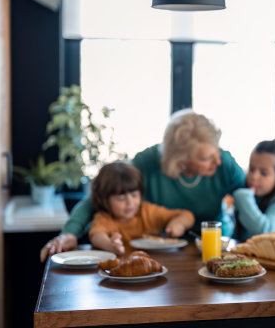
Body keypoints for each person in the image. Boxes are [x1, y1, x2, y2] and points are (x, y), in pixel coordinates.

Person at [40, 109, 246, 262]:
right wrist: (69, 233)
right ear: (180, 160)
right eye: (206, 158)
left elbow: (252, 198)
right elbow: (98, 198)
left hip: (209, 252)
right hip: (157, 254)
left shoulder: (224, 163)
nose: (217, 161)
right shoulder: (146, 163)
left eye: (216, 152)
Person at [88, 161, 194, 255]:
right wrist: (110, 246)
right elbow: (96, 236)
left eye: (134, 195)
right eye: (121, 198)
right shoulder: (104, 218)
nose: (130, 203)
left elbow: (187, 215)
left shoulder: (148, 211)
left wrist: (179, 223)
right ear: (105, 200)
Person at [229, 133, 275, 241]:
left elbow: (266, 233)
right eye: (251, 169)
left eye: (264, 173)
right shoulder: (253, 194)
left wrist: (244, 199)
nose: (254, 177)